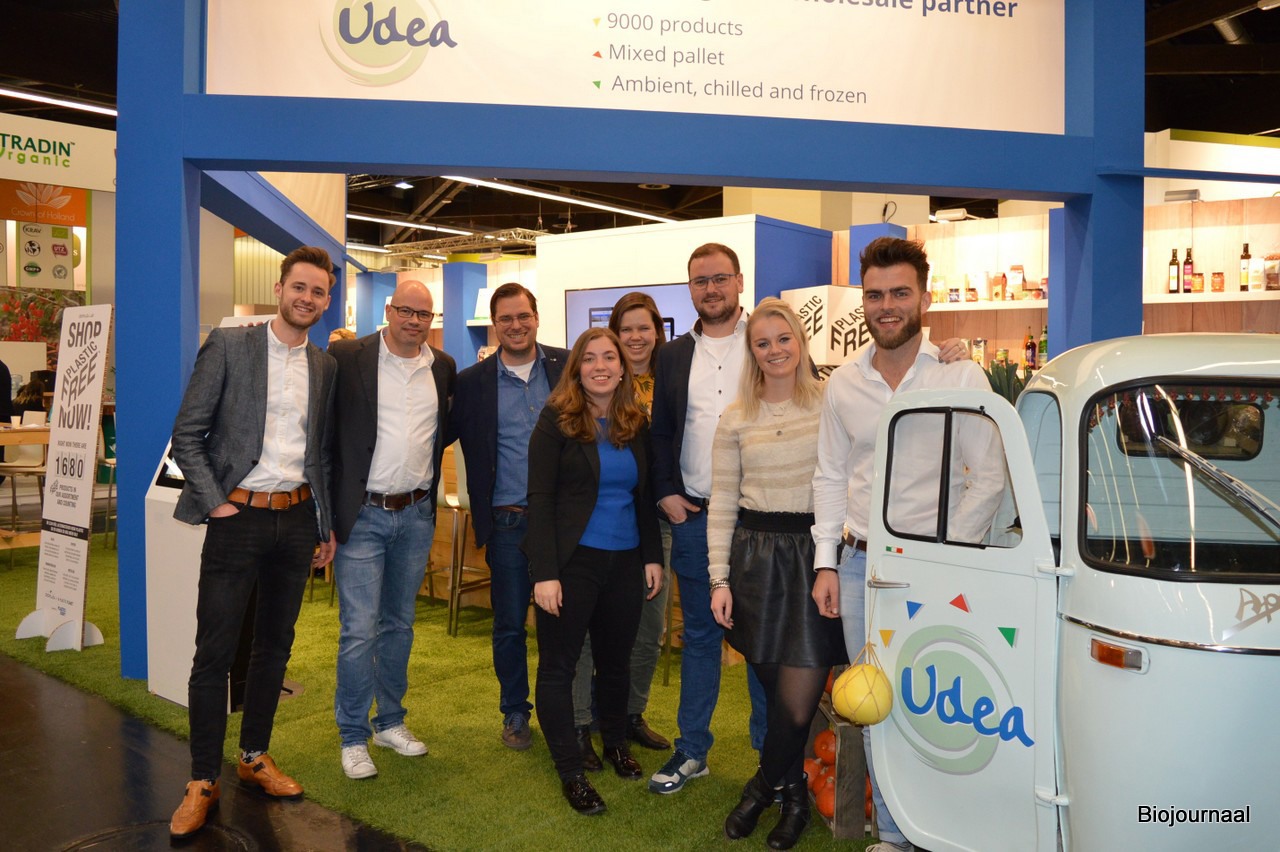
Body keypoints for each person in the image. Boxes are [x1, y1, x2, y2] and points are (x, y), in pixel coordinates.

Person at [811, 236, 1004, 852]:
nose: (886, 306)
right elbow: (830, 477)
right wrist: (825, 564)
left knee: (939, 700)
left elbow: (989, 476)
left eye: (900, 293)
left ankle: (944, 830)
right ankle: (893, 835)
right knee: (871, 701)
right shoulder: (843, 383)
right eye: (875, 295)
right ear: (862, 302)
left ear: (924, 297)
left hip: (936, 568)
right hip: (861, 565)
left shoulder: (959, 373)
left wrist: (947, 554)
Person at [167, 246, 338, 840]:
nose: (307, 298)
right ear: (279, 288)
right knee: (214, 652)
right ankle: (201, 779)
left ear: (326, 301)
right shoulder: (230, 345)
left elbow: (320, 453)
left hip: (296, 520)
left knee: (274, 647)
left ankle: (253, 757)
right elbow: (187, 434)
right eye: (300, 287)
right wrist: (219, 502)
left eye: (318, 291)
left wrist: (323, 525)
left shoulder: (325, 366)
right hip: (236, 518)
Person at [709, 298, 847, 849]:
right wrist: (719, 579)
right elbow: (723, 502)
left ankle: (759, 790)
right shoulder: (735, 417)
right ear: (752, 351)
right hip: (755, 563)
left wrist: (941, 355)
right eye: (762, 343)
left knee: (795, 704)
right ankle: (794, 801)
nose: (774, 351)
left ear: (800, 341)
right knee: (774, 695)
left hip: (816, 558)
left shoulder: (832, 402)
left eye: (783, 338)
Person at [524, 327, 664, 815]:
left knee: (616, 663)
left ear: (623, 368)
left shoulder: (634, 421)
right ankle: (571, 771)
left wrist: (652, 556)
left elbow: (644, 497)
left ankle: (616, 744)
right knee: (558, 667)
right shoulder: (556, 420)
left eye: (609, 357)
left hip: (625, 561)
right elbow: (539, 499)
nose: (600, 366)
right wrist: (544, 573)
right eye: (590, 358)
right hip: (571, 563)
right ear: (576, 369)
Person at [648, 241, 769, 794]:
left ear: (739, 282)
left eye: (720, 278)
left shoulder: (767, 341)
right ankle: (692, 750)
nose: (711, 289)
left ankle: (771, 758)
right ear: (690, 289)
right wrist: (667, 493)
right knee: (699, 636)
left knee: (761, 640)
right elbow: (661, 432)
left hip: (763, 522)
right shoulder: (673, 356)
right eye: (701, 281)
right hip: (696, 518)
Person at [329, 280, 456, 779]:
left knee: (399, 625)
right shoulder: (347, 357)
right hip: (362, 515)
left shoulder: (442, 367)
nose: (414, 321)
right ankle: (353, 735)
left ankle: (390, 722)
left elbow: (442, 433)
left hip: (416, 514)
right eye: (406, 311)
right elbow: (325, 432)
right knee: (359, 630)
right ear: (388, 310)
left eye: (424, 314)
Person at [452, 282, 567, 750]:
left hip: (563, 522)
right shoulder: (471, 383)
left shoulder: (566, 368)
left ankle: (567, 711)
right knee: (509, 625)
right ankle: (515, 711)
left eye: (523, 316)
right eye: (506, 319)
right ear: (494, 324)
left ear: (536, 317)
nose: (516, 326)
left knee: (564, 623)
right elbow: (437, 434)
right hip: (507, 522)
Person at [570, 292, 671, 771]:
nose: (635, 337)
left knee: (648, 630)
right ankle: (583, 720)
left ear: (657, 332)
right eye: (625, 329)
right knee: (591, 634)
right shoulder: (596, 384)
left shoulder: (672, 378)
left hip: (656, 521)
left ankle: (629, 715)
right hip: (598, 529)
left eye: (643, 327)